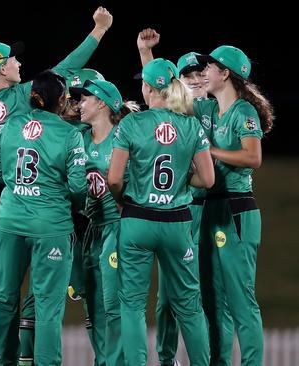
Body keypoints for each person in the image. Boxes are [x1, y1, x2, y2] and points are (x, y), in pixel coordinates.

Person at [0, 7, 113, 366]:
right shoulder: (23, 98)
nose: (18, 62)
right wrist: (99, 31)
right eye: (12, 58)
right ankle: (8, 360)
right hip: (2, 205)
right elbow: (68, 66)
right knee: (6, 292)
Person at [0, 69, 87, 366]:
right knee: (48, 307)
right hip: (51, 227)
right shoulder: (70, 134)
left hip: (10, 223)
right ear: (60, 102)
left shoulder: (10, 126)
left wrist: (20, 185)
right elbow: (78, 188)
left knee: (1, 296)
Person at [107, 58, 214, 366]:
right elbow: (207, 179)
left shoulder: (131, 124)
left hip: (138, 219)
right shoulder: (191, 125)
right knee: (189, 306)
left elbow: (114, 178)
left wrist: (122, 196)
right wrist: (182, 179)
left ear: (147, 88)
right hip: (177, 223)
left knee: (132, 305)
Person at [136, 28, 233, 366]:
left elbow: (156, 89)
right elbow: (156, 86)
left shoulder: (216, 108)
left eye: (198, 72)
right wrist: (146, 54)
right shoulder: (186, 111)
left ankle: (211, 360)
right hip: (183, 210)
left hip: (208, 209)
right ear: (177, 81)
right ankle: (167, 358)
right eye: (186, 74)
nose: (193, 78)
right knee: (169, 299)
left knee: (211, 295)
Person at [17, 68, 104, 366]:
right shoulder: (54, 132)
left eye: (85, 97)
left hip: (94, 230)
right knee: (38, 299)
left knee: (98, 302)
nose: (77, 104)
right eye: (72, 97)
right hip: (57, 226)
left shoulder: (115, 133)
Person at [193, 45, 274, 366]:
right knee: (213, 302)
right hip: (211, 211)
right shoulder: (209, 110)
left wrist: (210, 151)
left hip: (237, 211)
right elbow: (166, 97)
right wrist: (146, 53)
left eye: (208, 68)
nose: (203, 74)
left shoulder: (244, 113)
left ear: (226, 73)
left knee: (241, 301)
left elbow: (253, 157)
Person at [68, 79, 139, 366]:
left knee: (113, 304)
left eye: (84, 99)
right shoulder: (78, 137)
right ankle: (104, 360)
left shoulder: (125, 137)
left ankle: (118, 362)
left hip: (118, 225)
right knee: (93, 306)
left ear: (101, 103)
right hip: (90, 229)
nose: (78, 104)